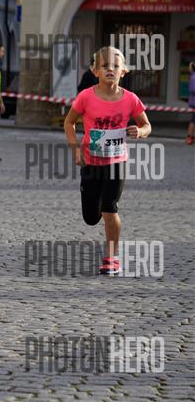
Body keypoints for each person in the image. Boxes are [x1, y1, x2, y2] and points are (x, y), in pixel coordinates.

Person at [63, 46, 151, 275]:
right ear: (95, 71)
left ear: (123, 71)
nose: (110, 69)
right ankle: (97, 209)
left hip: (116, 162)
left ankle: (112, 257)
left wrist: (140, 131)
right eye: (105, 66)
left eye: (115, 65)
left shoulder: (130, 99)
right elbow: (69, 122)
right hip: (91, 163)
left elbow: (147, 125)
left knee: (110, 209)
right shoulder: (86, 97)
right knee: (91, 217)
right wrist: (75, 149)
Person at [187, 61, 195, 145]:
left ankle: (191, 137)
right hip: (194, 102)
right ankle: (190, 137)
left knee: (194, 120)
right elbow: (193, 89)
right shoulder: (194, 77)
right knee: (193, 120)